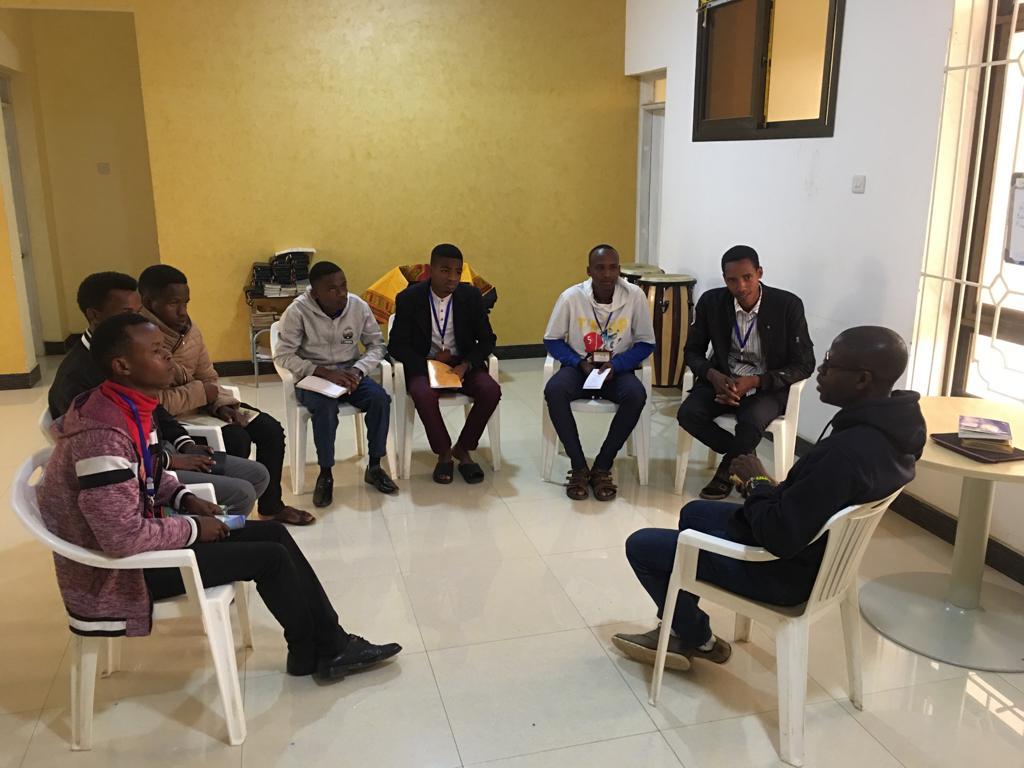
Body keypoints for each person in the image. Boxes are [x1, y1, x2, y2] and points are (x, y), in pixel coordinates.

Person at [37, 313, 402, 680]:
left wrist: (184, 499)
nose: (168, 357)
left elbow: (148, 470)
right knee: (270, 558)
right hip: (119, 572)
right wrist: (196, 528)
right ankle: (318, 649)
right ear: (122, 366)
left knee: (274, 533)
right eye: (157, 351)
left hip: (144, 540)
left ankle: (324, 647)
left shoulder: (127, 405)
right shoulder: (102, 435)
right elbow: (119, 538)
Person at [613, 326, 925, 670]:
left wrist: (757, 482)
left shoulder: (846, 454)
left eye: (830, 364)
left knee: (642, 546)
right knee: (695, 514)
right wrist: (774, 489)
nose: (820, 371)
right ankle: (683, 630)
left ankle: (695, 635)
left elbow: (779, 536)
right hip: (820, 554)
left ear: (863, 379)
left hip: (784, 573)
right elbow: (815, 501)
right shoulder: (895, 434)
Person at [48, 272, 270, 516]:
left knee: (258, 474)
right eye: (126, 313)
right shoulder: (77, 382)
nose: (136, 320)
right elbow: (107, 460)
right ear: (94, 315)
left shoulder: (132, 356)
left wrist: (184, 443)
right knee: (242, 492)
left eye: (138, 312)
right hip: (138, 474)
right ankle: (218, 532)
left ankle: (228, 526)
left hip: (159, 452)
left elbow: (154, 408)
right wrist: (169, 462)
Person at [138, 265, 314, 526]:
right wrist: (202, 392)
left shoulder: (191, 331)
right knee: (237, 439)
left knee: (270, 430)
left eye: (186, 302)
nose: (183, 311)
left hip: (205, 406)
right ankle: (225, 513)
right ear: (149, 302)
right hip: (175, 422)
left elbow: (209, 377)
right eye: (173, 304)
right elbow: (154, 403)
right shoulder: (140, 340)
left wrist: (221, 404)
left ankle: (271, 506)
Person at [678, 245, 815, 500]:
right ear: (724, 279)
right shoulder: (712, 302)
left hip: (767, 385)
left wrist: (755, 381)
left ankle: (726, 471)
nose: (740, 286)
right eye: (732, 280)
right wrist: (713, 376)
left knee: (751, 421)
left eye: (747, 277)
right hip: (723, 379)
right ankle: (745, 458)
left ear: (760, 273)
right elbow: (692, 352)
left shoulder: (787, 305)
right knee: (688, 414)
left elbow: (805, 364)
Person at [273, 260, 398, 507]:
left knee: (380, 400)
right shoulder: (297, 312)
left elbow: (377, 345)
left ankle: (374, 466)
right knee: (325, 408)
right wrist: (321, 372)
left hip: (350, 372)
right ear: (315, 293)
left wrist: (358, 370)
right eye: (332, 289)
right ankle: (326, 474)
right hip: (313, 377)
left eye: (344, 286)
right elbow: (283, 355)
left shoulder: (358, 306)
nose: (341, 293)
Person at [542, 244, 655, 502]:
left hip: (616, 370)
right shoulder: (571, 297)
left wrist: (618, 365)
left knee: (636, 394)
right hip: (580, 368)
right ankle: (579, 466)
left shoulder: (634, 296)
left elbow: (647, 343)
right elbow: (552, 340)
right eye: (600, 268)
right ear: (589, 271)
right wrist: (577, 362)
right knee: (554, 390)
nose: (607, 274)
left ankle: (603, 466)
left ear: (619, 270)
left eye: (613, 268)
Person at [387, 243, 501, 484]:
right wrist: (427, 364)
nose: (453, 278)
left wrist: (466, 364)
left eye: (458, 271)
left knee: (491, 390)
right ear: (431, 270)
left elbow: (487, 340)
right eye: (445, 270)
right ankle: (444, 453)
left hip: (462, 365)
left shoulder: (471, 296)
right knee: (422, 393)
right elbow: (396, 345)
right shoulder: (409, 298)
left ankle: (464, 448)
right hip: (423, 364)